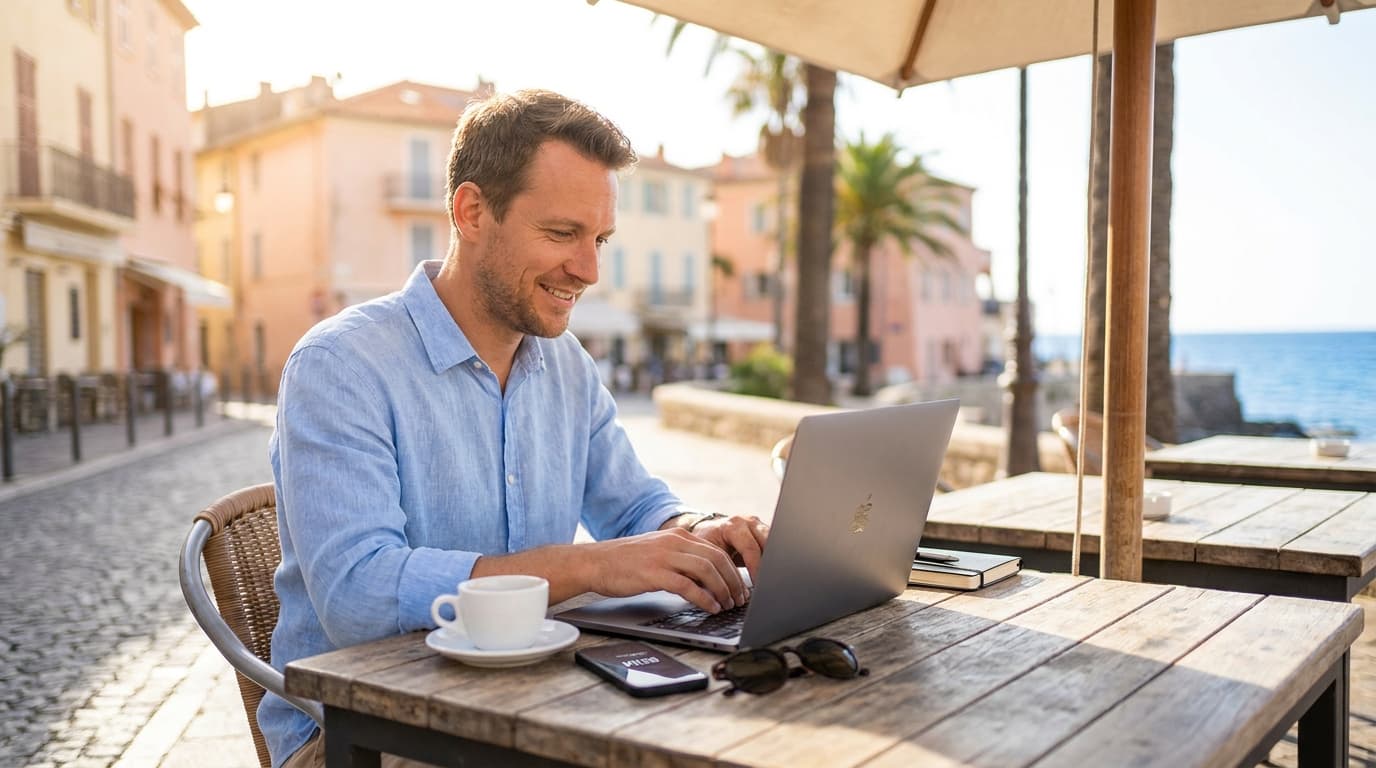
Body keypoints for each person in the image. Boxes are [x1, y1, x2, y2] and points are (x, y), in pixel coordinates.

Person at [263, 89, 770, 768]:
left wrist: (697, 530)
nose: (588, 270)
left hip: (526, 704)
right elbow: (358, 595)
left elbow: (635, 507)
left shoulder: (566, 365)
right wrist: (590, 566)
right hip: (362, 732)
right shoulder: (341, 366)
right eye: (562, 234)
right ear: (472, 211)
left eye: (599, 240)